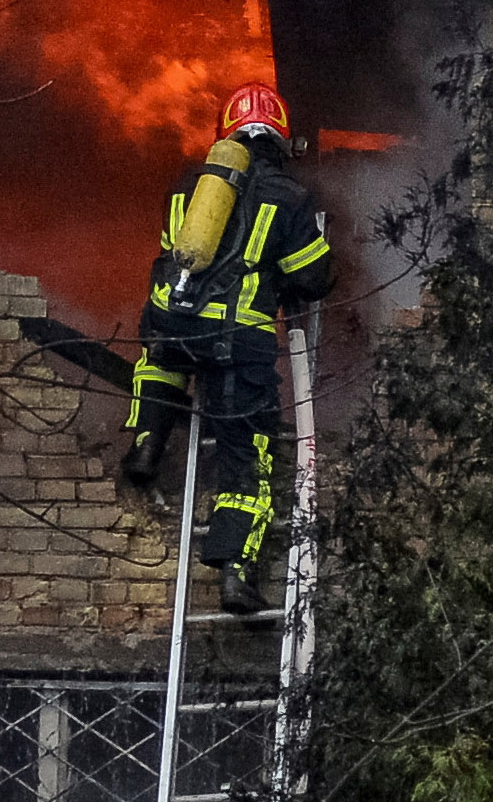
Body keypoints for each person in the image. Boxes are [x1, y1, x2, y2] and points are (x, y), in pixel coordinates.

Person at [120, 82, 334, 614]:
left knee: (162, 357)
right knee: (247, 457)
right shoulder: (290, 196)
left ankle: (148, 441)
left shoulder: (190, 185)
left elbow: (173, 251)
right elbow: (312, 278)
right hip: (239, 345)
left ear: (226, 134)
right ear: (282, 140)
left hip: (172, 321)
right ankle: (237, 572)